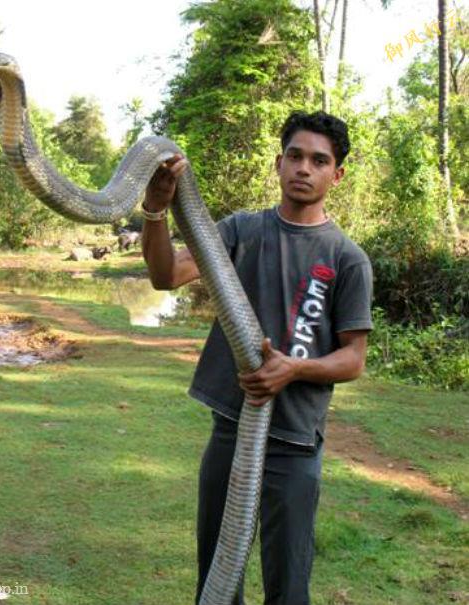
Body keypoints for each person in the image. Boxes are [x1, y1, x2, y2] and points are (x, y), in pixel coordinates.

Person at [141, 111, 373, 605]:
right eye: (295, 156)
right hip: (231, 429)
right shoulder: (240, 232)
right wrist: (156, 212)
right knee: (217, 580)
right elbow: (165, 275)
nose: (304, 168)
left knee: (288, 589)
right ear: (278, 162)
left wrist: (295, 368)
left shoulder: (346, 258)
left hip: (293, 441)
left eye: (319, 160)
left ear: (337, 174)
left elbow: (353, 358)